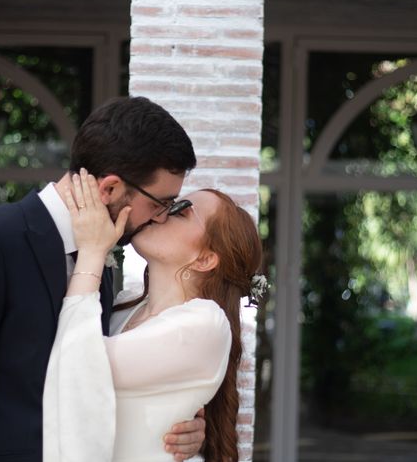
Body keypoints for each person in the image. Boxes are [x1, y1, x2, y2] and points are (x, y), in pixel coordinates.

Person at [0, 97, 207, 462]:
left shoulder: (99, 255)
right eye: (160, 203)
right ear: (109, 189)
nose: (163, 218)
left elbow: (89, 387)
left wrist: (176, 424)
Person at [44, 169, 263, 461]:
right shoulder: (124, 307)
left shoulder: (205, 323)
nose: (161, 214)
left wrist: (92, 252)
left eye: (180, 212)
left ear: (205, 259)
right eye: (166, 204)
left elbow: (78, 363)